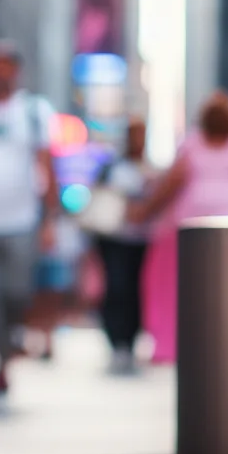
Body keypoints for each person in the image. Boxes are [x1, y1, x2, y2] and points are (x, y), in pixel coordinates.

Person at [130, 93, 228, 364]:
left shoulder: (191, 145)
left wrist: (146, 212)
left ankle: (171, 344)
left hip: (189, 227)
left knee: (177, 289)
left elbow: (171, 185)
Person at [0, 40, 58, 403]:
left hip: (22, 222)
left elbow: (46, 167)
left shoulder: (32, 112)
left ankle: (9, 344)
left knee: (17, 294)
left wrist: (50, 220)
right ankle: (1, 364)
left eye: (6, 64)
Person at [93, 117, 154, 374]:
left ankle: (129, 341)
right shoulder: (113, 166)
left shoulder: (149, 169)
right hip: (112, 237)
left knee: (133, 289)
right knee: (116, 286)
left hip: (138, 239)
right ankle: (115, 339)